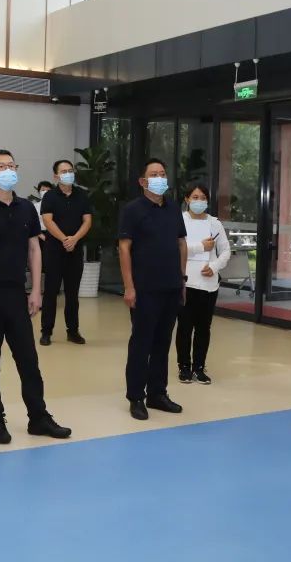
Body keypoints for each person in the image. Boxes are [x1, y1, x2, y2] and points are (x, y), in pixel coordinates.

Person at [0, 149, 72, 445]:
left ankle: (38, 417)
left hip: (16, 295)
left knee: (29, 361)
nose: (7, 170)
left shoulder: (26, 209)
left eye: (11, 165)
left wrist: (36, 290)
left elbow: (34, 250)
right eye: (1, 167)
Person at [118, 158, 187, 421]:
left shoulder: (173, 208)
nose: (160, 178)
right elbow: (124, 248)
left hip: (171, 286)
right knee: (141, 343)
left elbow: (181, 243)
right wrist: (129, 287)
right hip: (144, 288)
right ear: (143, 181)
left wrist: (182, 279)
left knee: (162, 342)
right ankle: (136, 396)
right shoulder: (132, 210)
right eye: (154, 174)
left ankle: (158, 393)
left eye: (163, 174)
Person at [176, 183, 230, 385]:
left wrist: (214, 266)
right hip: (185, 282)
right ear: (187, 199)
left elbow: (225, 250)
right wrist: (200, 247)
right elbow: (175, 248)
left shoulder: (214, 223)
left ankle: (199, 367)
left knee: (203, 328)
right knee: (184, 327)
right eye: (195, 197)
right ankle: (184, 366)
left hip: (208, 284)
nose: (199, 201)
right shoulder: (179, 220)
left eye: (203, 198)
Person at [39, 160, 93, 346]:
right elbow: (48, 221)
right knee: (51, 292)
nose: (68, 174)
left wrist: (74, 239)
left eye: (70, 170)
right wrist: (64, 239)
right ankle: (46, 331)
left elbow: (87, 220)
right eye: (64, 171)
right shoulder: (50, 196)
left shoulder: (82, 195)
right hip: (54, 251)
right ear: (56, 176)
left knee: (72, 293)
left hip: (75, 251)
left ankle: (73, 331)